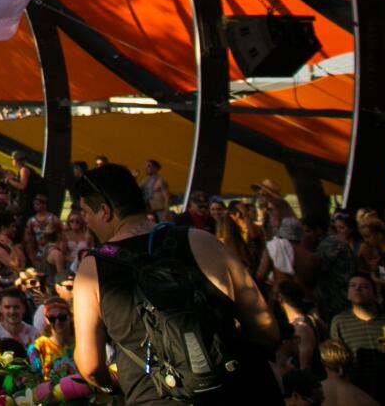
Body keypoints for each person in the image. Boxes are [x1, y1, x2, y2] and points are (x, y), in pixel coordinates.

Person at [68, 163, 281, 403]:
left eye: (86, 212)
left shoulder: (92, 270)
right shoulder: (202, 241)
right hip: (235, 391)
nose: (86, 220)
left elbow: (90, 365)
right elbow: (267, 329)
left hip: (154, 396)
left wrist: (110, 385)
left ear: (105, 211)